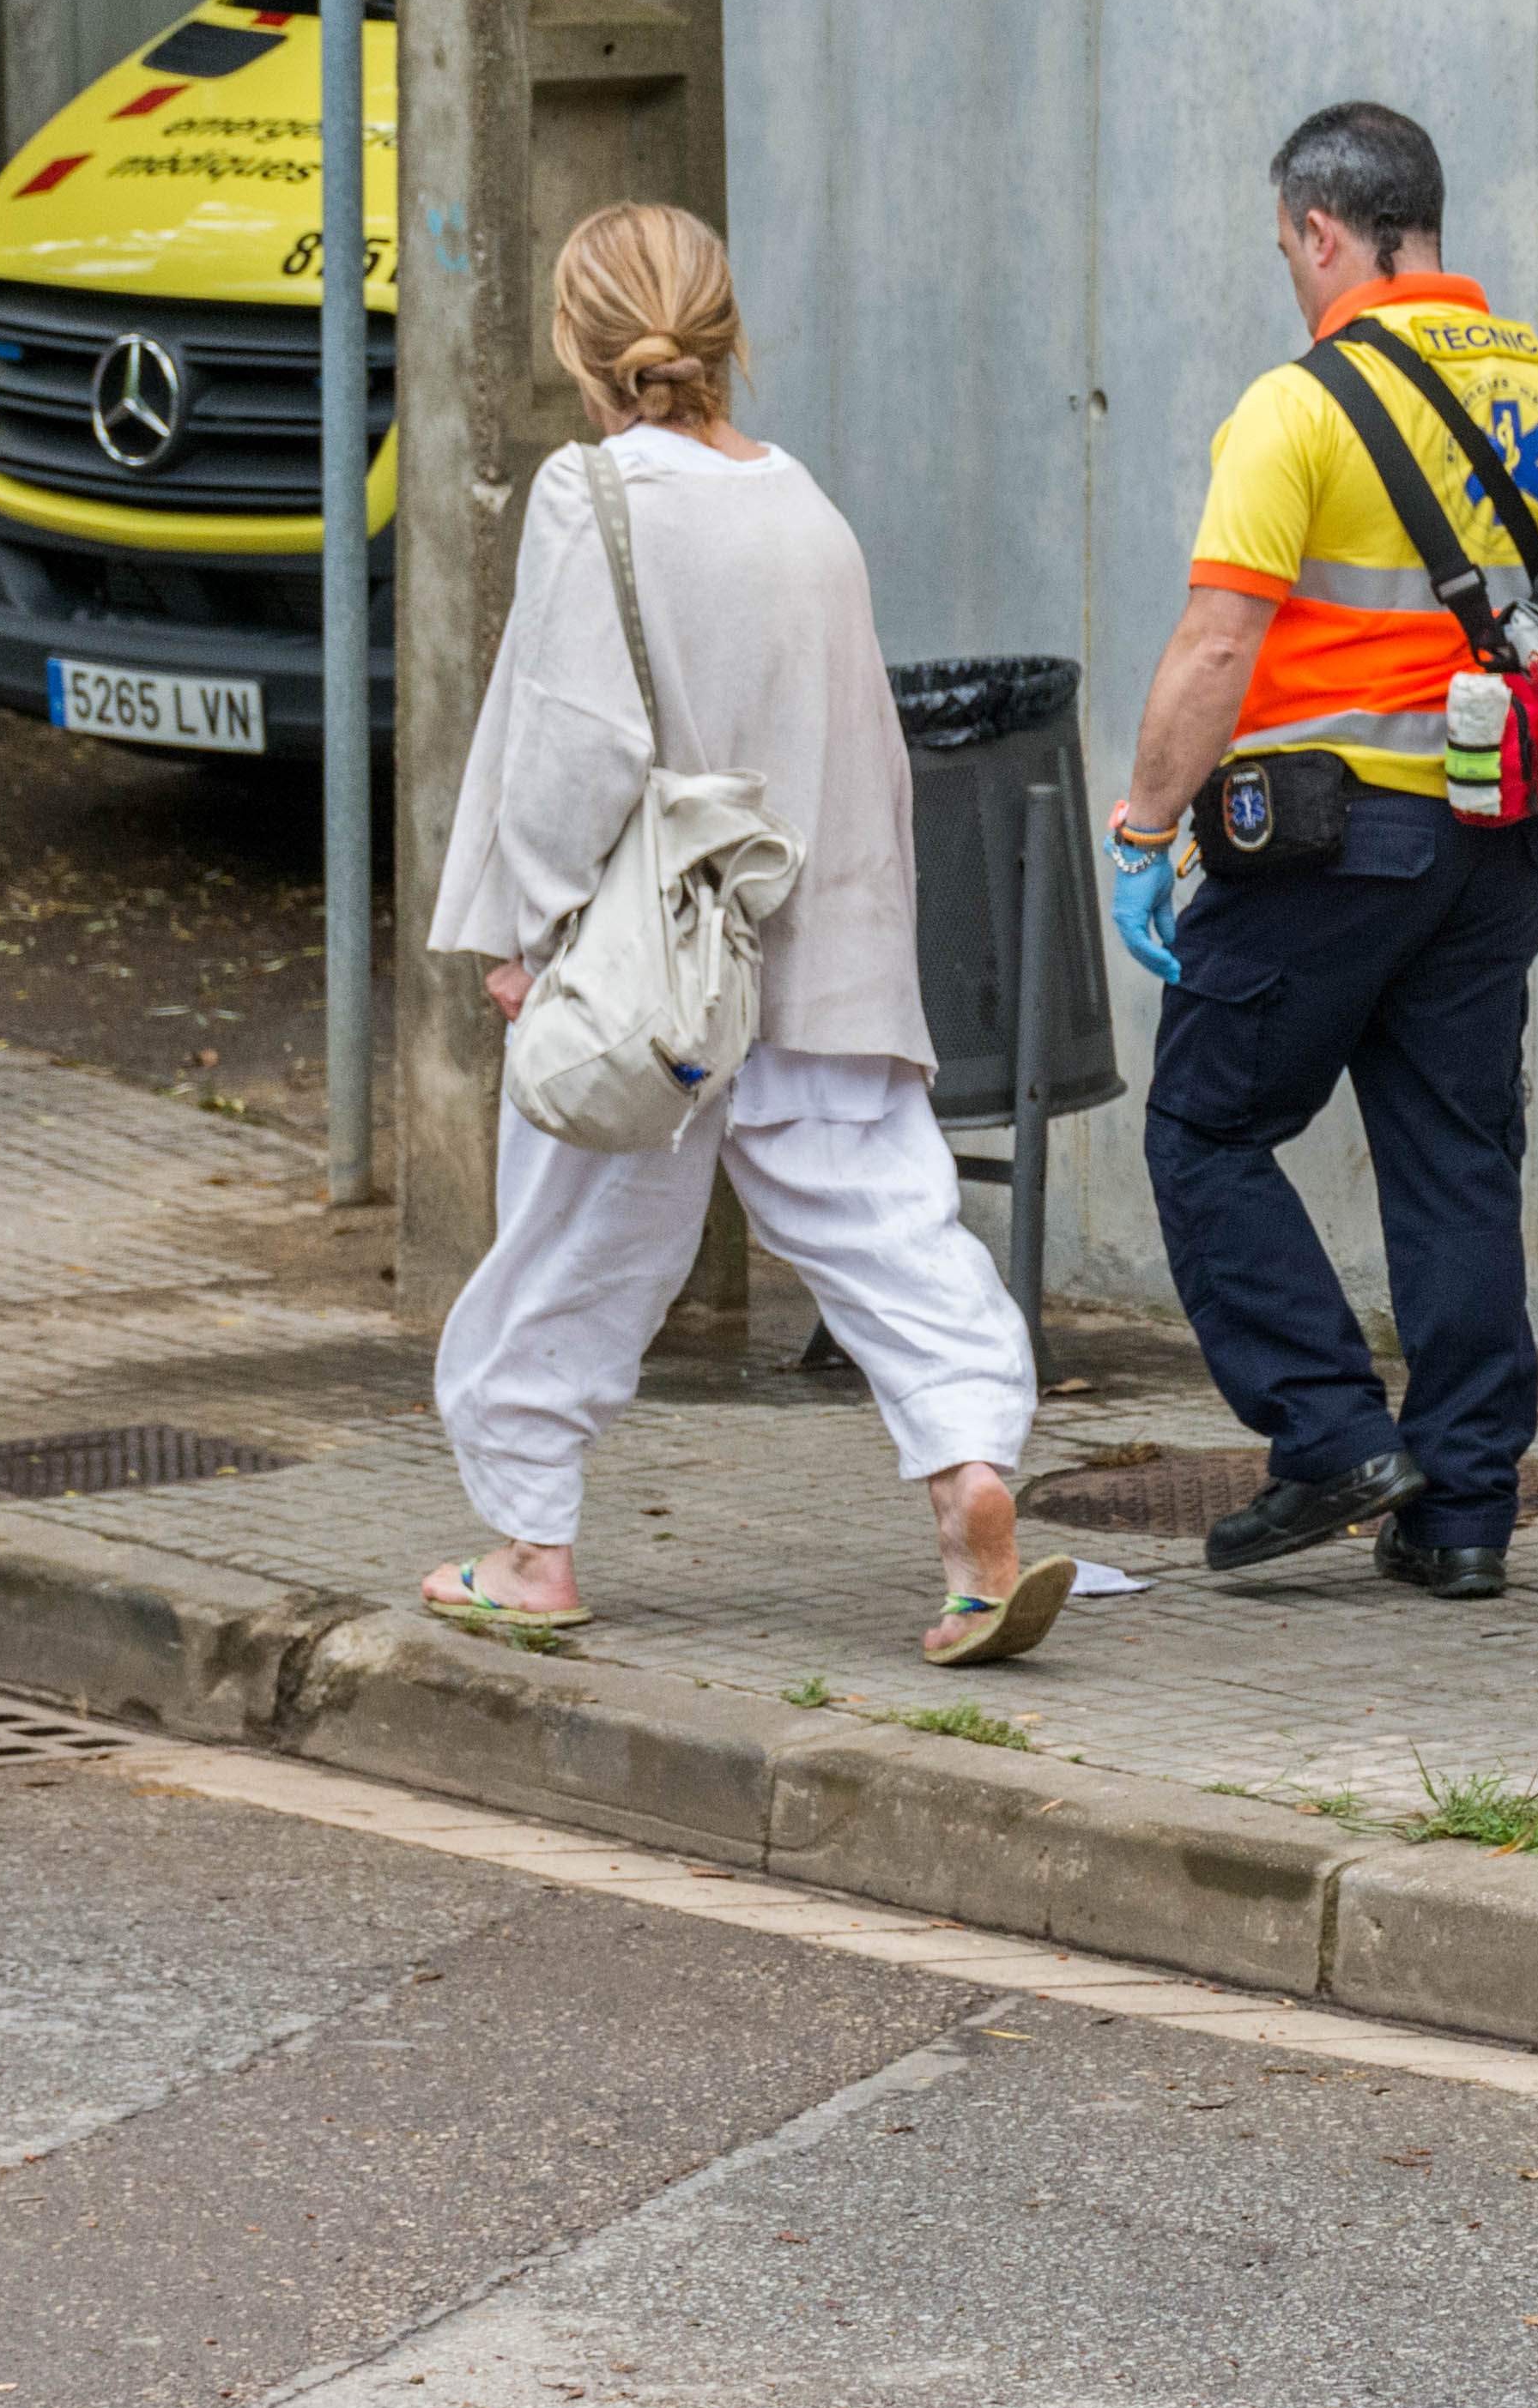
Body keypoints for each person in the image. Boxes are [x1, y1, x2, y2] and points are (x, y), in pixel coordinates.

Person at [425, 203, 1073, 1668]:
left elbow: (572, 744)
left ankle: (532, 1549)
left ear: (576, 347)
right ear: (724, 336)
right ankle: (972, 1476)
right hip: (819, 945)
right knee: (890, 1228)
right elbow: (866, 749)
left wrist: (525, 933)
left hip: (648, 968)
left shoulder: (590, 497)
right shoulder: (805, 503)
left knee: (574, 1246)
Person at [1103, 102, 1538, 1601]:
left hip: (1329, 845)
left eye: (1288, 248)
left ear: (1324, 232)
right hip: (1501, 836)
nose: (1291, 272)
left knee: (1205, 1126)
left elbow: (1220, 642)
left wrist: (1145, 828)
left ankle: (1330, 1435)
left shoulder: (1304, 405)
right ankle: (1464, 1510)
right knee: (1456, 1158)